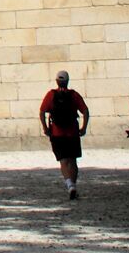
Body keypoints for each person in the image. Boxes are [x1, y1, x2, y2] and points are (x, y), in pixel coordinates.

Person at [39, 70, 89, 199]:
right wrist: (83, 127)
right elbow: (85, 111)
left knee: (63, 160)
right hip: (72, 132)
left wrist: (45, 128)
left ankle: (69, 185)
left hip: (57, 132)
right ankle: (73, 185)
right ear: (67, 81)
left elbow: (42, 112)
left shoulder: (51, 95)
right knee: (73, 160)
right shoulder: (74, 95)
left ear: (57, 81)